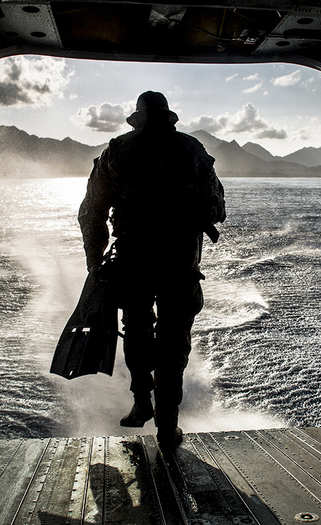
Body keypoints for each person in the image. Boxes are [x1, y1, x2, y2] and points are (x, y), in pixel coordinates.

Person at [78, 91, 226, 449]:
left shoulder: (116, 151)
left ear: (138, 119)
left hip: (134, 260)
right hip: (179, 263)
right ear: (168, 119)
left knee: (138, 328)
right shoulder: (192, 151)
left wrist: (94, 262)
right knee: (174, 340)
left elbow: (92, 212)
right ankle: (166, 426)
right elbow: (217, 208)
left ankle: (142, 401)